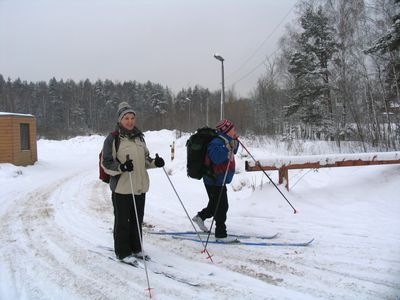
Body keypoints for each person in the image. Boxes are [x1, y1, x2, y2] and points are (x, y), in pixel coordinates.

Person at [101, 101, 165, 264]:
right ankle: (123, 252)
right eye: (126, 118)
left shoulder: (139, 138)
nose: (130, 121)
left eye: (132, 118)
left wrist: (155, 163)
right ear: (120, 120)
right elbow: (106, 163)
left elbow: (145, 159)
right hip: (122, 188)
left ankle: (136, 249)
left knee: (137, 220)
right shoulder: (113, 139)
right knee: (123, 222)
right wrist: (122, 167)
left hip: (139, 187)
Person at [192, 119, 239, 243]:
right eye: (233, 129)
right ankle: (221, 234)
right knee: (222, 206)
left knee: (215, 205)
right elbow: (217, 158)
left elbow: (234, 150)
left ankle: (200, 217)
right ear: (226, 131)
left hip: (220, 179)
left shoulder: (227, 140)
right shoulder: (216, 142)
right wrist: (228, 146)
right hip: (213, 179)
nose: (235, 131)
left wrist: (235, 142)